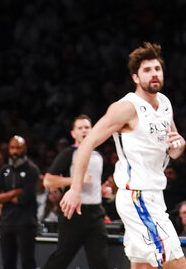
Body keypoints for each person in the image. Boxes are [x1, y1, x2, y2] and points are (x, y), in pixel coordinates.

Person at [59, 42, 186, 269]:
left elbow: (173, 146)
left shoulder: (165, 103)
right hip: (137, 196)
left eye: (157, 69)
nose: (154, 74)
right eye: (147, 70)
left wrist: (179, 146)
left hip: (155, 194)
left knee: (142, 265)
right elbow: (87, 144)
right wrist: (75, 189)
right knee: (177, 263)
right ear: (136, 78)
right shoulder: (126, 108)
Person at [42, 114, 109, 269]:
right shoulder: (69, 153)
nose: (84, 131)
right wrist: (76, 180)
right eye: (80, 128)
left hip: (96, 213)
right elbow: (48, 181)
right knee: (62, 258)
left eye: (87, 127)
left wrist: (102, 191)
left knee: (100, 261)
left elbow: (93, 182)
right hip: (73, 213)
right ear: (73, 133)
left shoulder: (98, 155)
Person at [0, 135, 40, 269]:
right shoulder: (4, 170)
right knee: (8, 263)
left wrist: (4, 196)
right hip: (6, 222)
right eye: (12, 148)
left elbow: (23, 198)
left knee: (27, 262)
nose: (15, 151)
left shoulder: (32, 170)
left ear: (25, 149)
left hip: (26, 223)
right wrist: (14, 192)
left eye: (18, 148)